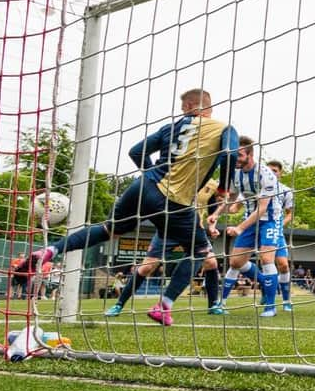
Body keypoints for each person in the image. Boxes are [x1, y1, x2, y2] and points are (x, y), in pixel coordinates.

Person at [24, 88, 238, 326]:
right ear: (208, 107)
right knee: (199, 253)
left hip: (142, 186)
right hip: (174, 200)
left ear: (188, 107)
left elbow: (136, 151)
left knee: (107, 230)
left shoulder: (171, 128)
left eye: (183, 108)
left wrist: (150, 174)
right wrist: (223, 189)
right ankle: (164, 306)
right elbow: (229, 152)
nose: (181, 112)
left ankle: (49, 251)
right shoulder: (223, 128)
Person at [104, 179, 225, 317]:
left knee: (211, 262)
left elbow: (213, 209)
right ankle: (119, 304)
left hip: (193, 230)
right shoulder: (179, 175)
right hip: (169, 229)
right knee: (147, 267)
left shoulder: (211, 184)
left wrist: (211, 226)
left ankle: (213, 304)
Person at [208, 135, 281, 317]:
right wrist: (215, 214)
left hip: (269, 220)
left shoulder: (266, 175)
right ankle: (222, 304)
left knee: (266, 259)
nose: (236, 159)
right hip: (250, 219)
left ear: (250, 154)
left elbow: (263, 208)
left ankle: (270, 307)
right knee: (235, 262)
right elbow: (230, 199)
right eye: (235, 155)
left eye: (240, 155)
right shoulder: (235, 173)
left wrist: (240, 227)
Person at [266, 160, 294, 311]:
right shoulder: (258, 189)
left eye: (275, 170)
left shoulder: (286, 191)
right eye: (269, 170)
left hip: (275, 231)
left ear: (280, 174)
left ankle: (285, 301)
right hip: (255, 230)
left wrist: (279, 224)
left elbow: (290, 214)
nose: (272, 172)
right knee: (238, 262)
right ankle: (266, 291)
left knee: (283, 264)